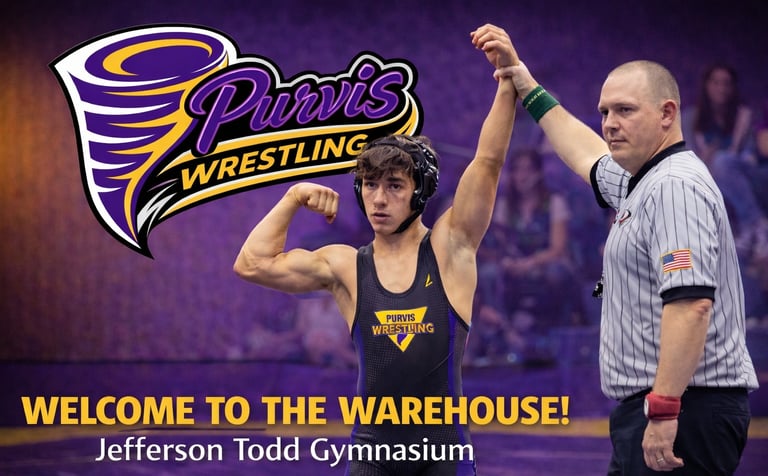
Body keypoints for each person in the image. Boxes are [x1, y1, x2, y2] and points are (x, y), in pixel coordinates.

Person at [233, 24, 519, 476]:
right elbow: (252, 265)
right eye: (369, 185)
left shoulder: (450, 247)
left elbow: (488, 162)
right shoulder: (346, 265)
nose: (378, 199)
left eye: (394, 186)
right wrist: (292, 197)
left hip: (443, 454)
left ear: (419, 192)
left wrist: (507, 79)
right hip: (373, 453)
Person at [495, 52, 759, 473]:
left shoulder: (673, 186)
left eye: (625, 110)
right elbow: (586, 153)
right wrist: (527, 87)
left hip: (683, 411)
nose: (610, 123)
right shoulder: (644, 181)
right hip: (665, 407)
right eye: (605, 112)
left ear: (667, 114)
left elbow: (692, 305)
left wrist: (664, 409)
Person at [473, 148, 577, 365]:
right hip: (514, 264)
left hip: (545, 263)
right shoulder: (505, 206)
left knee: (557, 273)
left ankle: (556, 338)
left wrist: (529, 264)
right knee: (489, 273)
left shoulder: (554, 202)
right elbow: (498, 244)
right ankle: (503, 335)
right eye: (517, 170)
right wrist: (507, 261)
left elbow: (558, 248)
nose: (522, 176)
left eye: (527, 170)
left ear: (538, 173)